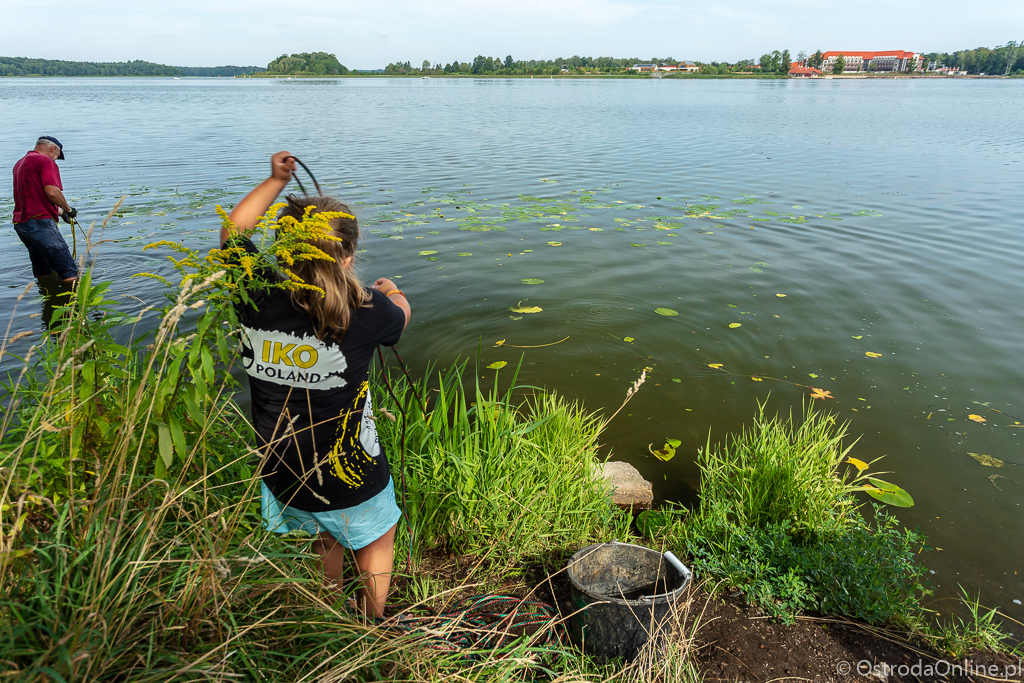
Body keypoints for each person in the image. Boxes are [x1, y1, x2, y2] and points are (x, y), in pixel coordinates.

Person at [223, 151, 411, 619]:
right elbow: (402, 319)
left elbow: (232, 233)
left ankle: (326, 613)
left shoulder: (254, 293)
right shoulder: (368, 310)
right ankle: (371, 623)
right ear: (348, 257)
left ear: (282, 251)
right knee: (375, 537)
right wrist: (392, 291)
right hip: (351, 471)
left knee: (323, 535)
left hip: (283, 466)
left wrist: (273, 181)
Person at [12, 136, 79, 284]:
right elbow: (52, 192)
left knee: (43, 270)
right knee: (69, 271)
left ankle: (47, 298)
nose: (55, 160)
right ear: (53, 148)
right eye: (57, 156)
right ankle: (74, 304)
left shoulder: (20, 163)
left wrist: (60, 213)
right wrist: (68, 209)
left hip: (22, 225)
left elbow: (33, 196)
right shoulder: (45, 161)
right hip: (40, 224)